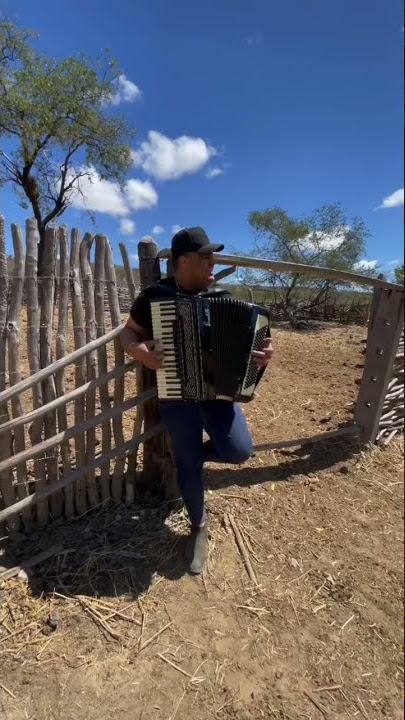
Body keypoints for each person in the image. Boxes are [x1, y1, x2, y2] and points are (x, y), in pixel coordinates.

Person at [120, 227, 274, 574]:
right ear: (183, 261)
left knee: (239, 451)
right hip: (178, 397)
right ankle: (198, 527)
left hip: (219, 398)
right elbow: (127, 331)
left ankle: (190, 457)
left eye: (212, 257)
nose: (212, 263)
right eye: (206, 257)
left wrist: (261, 355)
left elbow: (254, 348)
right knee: (188, 464)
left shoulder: (222, 297)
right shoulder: (153, 298)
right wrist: (140, 351)